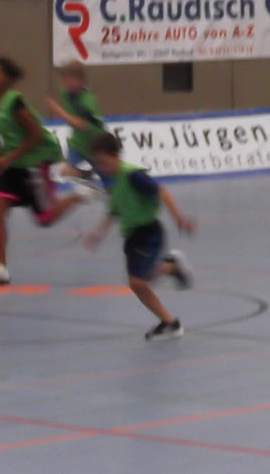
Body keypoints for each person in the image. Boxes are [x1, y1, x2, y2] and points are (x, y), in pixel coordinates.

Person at [0, 56, 88, 288]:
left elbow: (35, 134)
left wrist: (7, 158)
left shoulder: (15, 102)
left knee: (45, 219)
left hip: (34, 164)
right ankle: (0, 269)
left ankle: (79, 195)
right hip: (11, 167)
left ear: (7, 78)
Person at [82, 131, 194, 340]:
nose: (101, 167)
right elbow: (115, 209)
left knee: (138, 283)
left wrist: (179, 218)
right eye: (98, 163)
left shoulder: (133, 175)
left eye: (104, 162)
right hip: (131, 236)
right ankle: (171, 267)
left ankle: (170, 323)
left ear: (116, 155)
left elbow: (162, 192)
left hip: (149, 232)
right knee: (140, 281)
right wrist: (99, 232)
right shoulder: (112, 180)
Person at [46, 61, 110, 188]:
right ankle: (86, 174)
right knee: (64, 171)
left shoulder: (87, 101)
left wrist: (59, 112)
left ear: (80, 80)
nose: (65, 82)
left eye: (68, 79)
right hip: (78, 145)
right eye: (63, 79)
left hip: (96, 145)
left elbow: (82, 125)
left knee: (109, 182)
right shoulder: (66, 93)